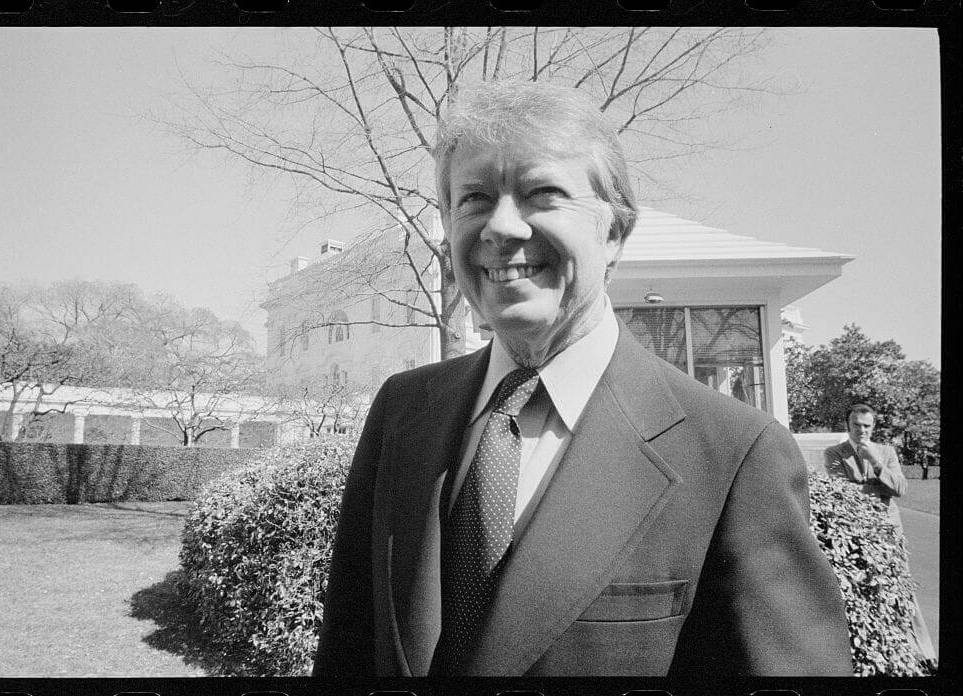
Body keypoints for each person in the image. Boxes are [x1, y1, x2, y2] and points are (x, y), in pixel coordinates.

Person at [313, 82, 852, 678]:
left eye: (542, 193)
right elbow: (350, 648)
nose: (501, 227)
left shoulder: (733, 454)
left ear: (614, 230)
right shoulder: (403, 409)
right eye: (473, 199)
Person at [824, 404, 936, 667]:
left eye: (867, 425)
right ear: (847, 426)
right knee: (861, 588)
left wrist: (875, 462)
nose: (861, 430)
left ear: (873, 427)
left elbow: (900, 489)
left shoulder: (886, 452)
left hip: (889, 531)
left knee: (902, 589)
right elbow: (841, 492)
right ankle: (872, 654)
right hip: (854, 531)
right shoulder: (835, 453)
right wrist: (879, 488)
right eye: (856, 425)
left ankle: (925, 653)